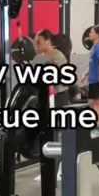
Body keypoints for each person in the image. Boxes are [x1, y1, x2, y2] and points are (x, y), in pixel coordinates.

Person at [32, 29, 68, 182]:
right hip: (44, 100)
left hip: (58, 98)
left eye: (38, 42)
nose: (36, 45)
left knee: (57, 134)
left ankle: (59, 169)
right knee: (45, 134)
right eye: (35, 43)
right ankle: (47, 169)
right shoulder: (38, 58)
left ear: (48, 41)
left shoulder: (58, 57)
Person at [80, 25, 99, 124]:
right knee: (91, 102)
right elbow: (92, 63)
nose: (89, 34)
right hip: (93, 79)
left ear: (98, 35)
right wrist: (85, 73)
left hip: (98, 80)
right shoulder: (94, 47)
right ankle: (93, 123)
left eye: (92, 32)